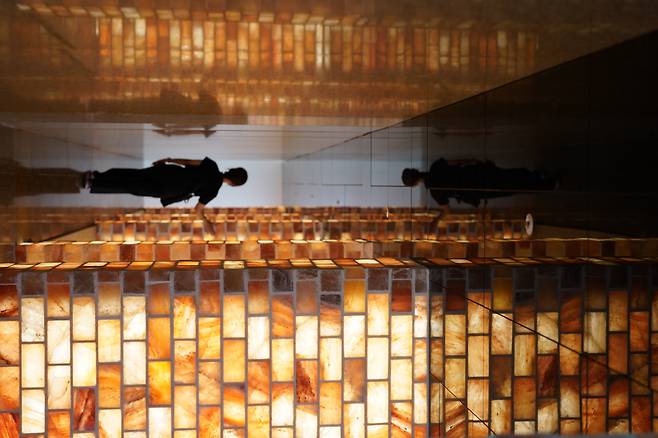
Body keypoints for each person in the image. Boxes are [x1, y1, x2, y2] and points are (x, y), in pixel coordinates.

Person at [85, 157, 247, 228]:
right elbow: (197, 210)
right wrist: (207, 222)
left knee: (134, 174)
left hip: (170, 173)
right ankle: (94, 184)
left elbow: (187, 162)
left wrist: (168, 160)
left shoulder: (212, 165)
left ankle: (97, 175)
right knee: (131, 187)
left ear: (231, 171)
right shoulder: (213, 191)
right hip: (169, 190)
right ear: (233, 184)